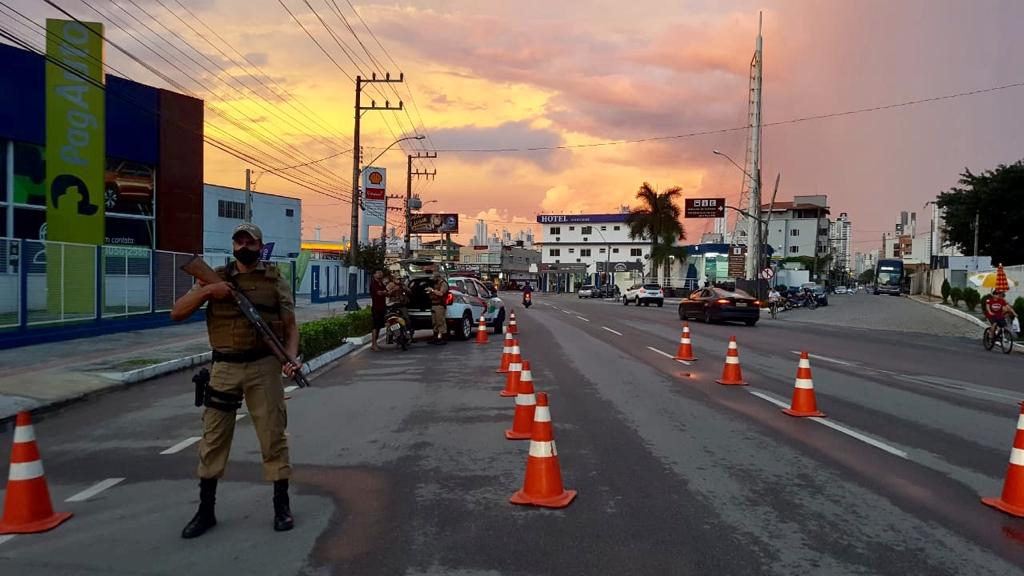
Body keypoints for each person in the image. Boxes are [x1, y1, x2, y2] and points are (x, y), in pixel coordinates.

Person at [170, 223, 299, 539]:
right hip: (224, 367)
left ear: (259, 246)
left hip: (264, 367)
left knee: (272, 435)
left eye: (250, 242)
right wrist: (208, 291)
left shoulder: (274, 281)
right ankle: (206, 511)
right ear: (233, 245)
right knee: (213, 437)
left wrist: (291, 358)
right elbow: (177, 312)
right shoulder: (214, 277)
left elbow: (291, 325)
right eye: (239, 241)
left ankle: (281, 507)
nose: (244, 246)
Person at [426, 271, 449, 345]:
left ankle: (443, 338)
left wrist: (432, 290)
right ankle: (436, 337)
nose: (433, 280)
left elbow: (441, 293)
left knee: (440, 322)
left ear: (438, 277)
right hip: (434, 305)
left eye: (434, 278)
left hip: (440, 305)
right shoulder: (435, 284)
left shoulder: (443, 284)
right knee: (434, 322)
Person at [369, 269, 388, 352]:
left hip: (383, 307)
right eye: (378, 273)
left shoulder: (382, 284)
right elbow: (379, 293)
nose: (380, 274)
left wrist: (384, 292)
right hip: (376, 307)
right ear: (374, 275)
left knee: (379, 326)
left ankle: (375, 343)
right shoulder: (373, 284)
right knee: (375, 326)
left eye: (381, 273)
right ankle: (373, 344)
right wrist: (384, 292)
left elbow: (386, 292)